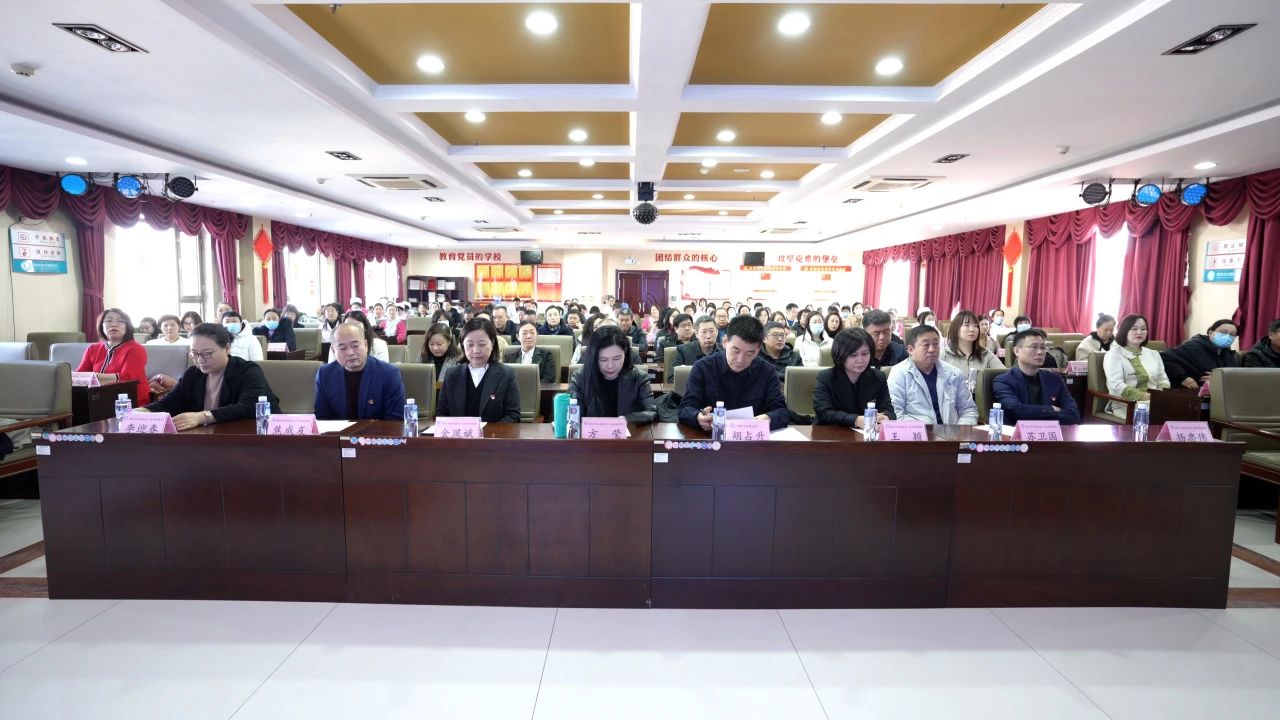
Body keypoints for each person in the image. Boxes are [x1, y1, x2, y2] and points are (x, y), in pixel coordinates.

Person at [140, 323, 280, 431]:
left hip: (251, 435)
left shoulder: (247, 371)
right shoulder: (193, 374)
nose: (200, 360)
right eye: (194, 354)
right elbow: (171, 402)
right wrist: (144, 411)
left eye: (207, 353)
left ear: (227, 348)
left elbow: (248, 406)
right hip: (209, 436)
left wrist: (203, 417)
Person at [679, 316, 789, 431]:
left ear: (758, 349)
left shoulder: (767, 371)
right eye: (735, 351)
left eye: (749, 353)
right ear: (725, 342)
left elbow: (782, 411)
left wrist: (768, 418)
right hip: (711, 436)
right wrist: (698, 417)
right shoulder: (703, 368)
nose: (740, 360)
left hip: (752, 436)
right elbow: (686, 408)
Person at [886, 324, 978, 425]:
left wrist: (961, 431)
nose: (932, 349)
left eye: (935, 344)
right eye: (926, 345)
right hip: (917, 433)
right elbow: (895, 414)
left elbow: (968, 410)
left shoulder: (954, 374)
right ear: (911, 349)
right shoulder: (899, 374)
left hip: (952, 432)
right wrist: (924, 431)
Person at [314, 322, 406, 421]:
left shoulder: (389, 374)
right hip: (338, 431)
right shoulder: (325, 374)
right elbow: (322, 418)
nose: (350, 353)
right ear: (333, 351)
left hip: (378, 431)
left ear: (366, 345)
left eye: (355, 345)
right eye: (343, 348)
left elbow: (396, 420)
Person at [437, 318, 521, 423]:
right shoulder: (452, 374)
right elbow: (441, 413)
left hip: (493, 433)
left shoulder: (507, 374)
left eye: (482, 344)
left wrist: (486, 431)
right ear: (463, 345)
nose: (476, 350)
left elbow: (513, 415)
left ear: (492, 343)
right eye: (470, 344)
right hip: (459, 433)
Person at [568, 326, 656, 424]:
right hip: (592, 433)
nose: (610, 366)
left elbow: (652, 412)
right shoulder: (580, 378)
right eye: (603, 360)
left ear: (625, 353)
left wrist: (625, 420)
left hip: (629, 432)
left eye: (617, 358)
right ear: (593, 357)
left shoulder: (639, 377)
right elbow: (574, 416)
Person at [993, 328, 1081, 425]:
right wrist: (1052, 409)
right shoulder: (1003, 381)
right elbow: (1017, 411)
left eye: (1043, 347)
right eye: (1034, 347)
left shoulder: (1055, 379)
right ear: (1017, 351)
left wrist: (1034, 414)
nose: (1040, 352)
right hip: (1017, 433)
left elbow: (1074, 415)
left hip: (1051, 433)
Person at [813, 328, 894, 429]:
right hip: (830, 432)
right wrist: (856, 420)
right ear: (840, 355)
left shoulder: (878, 377)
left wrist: (886, 417)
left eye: (865, 353)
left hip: (866, 434)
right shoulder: (826, 377)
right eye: (853, 355)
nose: (860, 360)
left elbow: (889, 410)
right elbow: (824, 413)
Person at [76, 308, 150, 404]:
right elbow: (79, 375)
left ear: (127, 326)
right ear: (101, 326)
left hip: (129, 400)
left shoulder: (136, 348)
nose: (114, 324)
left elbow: (127, 378)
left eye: (120, 321)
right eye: (109, 321)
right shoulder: (93, 349)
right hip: (97, 399)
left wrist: (95, 377)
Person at [1102, 313, 1170, 417]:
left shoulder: (1153, 354)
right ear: (1125, 331)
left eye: (1143, 329)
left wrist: (1160, 396)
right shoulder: (1113, 355)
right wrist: (1146, 397)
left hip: (1156, 401)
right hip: (1126, 404)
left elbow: (1163, 379)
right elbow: (1116, 385)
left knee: (1181, 409)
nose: (1139, 332)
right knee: (1164, 414)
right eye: (1134, 329)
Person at [1161, 319, 1240, 389]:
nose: (1227, 336)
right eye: (1223, 332)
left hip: (1216, 391)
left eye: (1232, 334)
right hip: (1189, 391)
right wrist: (1183, 378)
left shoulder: (1229, 354)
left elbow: (1233, 375)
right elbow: (1164, 357)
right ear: (1210, 333)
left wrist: (1220, 379)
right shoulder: (1194, 346)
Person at [941, 310, 1003, 376]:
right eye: (966, 325)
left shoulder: (986, 354)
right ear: (956, 328)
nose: (972, 329)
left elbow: (1005, 374)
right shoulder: (944, 355)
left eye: (975, 326)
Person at [670, 315, 719, 383]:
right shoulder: (683, 350)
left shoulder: (725, 351)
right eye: (704, 332)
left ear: (717, 332)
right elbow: (673, 378)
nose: (708, 336)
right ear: (696, 334)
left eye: (711, 331)